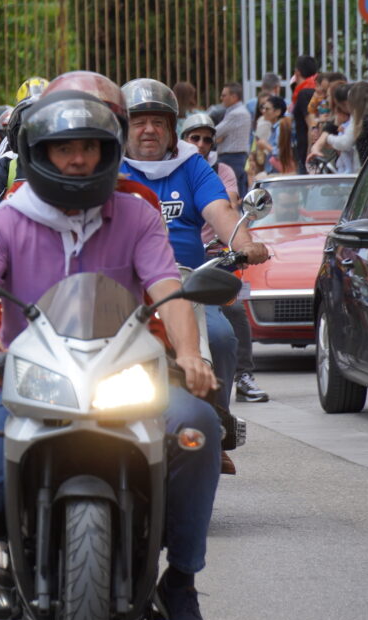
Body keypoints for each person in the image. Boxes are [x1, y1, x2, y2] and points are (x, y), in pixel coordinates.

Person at [0, 89, 224, 620]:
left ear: (109, 150)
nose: (78, 159)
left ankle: (179, 578)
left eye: (89, 146)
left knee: (200, 426)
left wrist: (188, 354)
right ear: (40, 153)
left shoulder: (136, 214)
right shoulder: (6, 221)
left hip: (126, 378)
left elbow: (168, 289)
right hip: (27, 387)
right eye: (64, 149)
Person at [117, 78, 270, 413]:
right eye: (139, 122)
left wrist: (245, 243)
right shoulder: (111, 169)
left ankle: (217, 421)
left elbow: (220, 209)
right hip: (123, 284)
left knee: (220, 337)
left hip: (189, 283)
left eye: (159, 122)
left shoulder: (190, 165)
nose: (149, 130)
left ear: (173, 129)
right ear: (122, 128)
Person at [214, 82, 252, 195]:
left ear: (234, 97)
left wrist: (217, 138)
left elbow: (215, 133)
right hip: (238, 157)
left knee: (230, 193)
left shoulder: (236, 114)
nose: (221, 98)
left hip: (231, 158)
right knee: (239, 191)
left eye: (224, 95)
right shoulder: (240, 111)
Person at [290, 56, 318, 174]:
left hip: (307, 151)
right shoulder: (315, 90)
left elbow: (311, 125)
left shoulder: (304, 93)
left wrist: (308, 155)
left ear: (297, 72)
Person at [255, 95, 294, 176]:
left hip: (279, 174)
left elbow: (281, 153)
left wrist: (266, 146)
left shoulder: (280, 128)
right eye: (263, 108)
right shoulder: (275, 127)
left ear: (277, 112)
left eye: (267, 109)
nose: (263, 111)